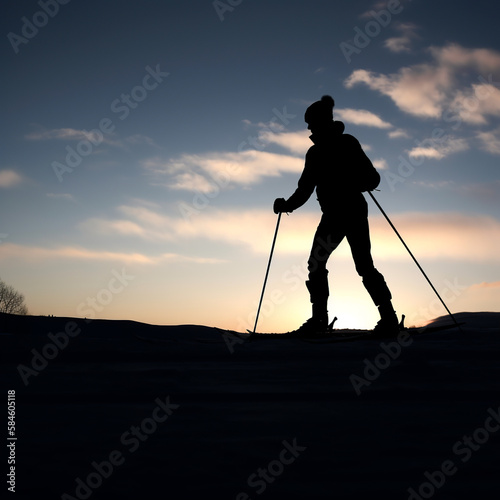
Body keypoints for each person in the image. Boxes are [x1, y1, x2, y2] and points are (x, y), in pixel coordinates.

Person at [273, 95, 399, 335]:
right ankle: (386, 317)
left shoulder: (345, 144)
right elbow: (305, 189)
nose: (308, 128)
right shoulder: (319, 152)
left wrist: (356, 181)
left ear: (322, 121)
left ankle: (322, 320)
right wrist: (287, 205)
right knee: (355, 265)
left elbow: (372, 178)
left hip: (346, 213)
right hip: (342, 213)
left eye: (311, 123)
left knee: (330, 264)